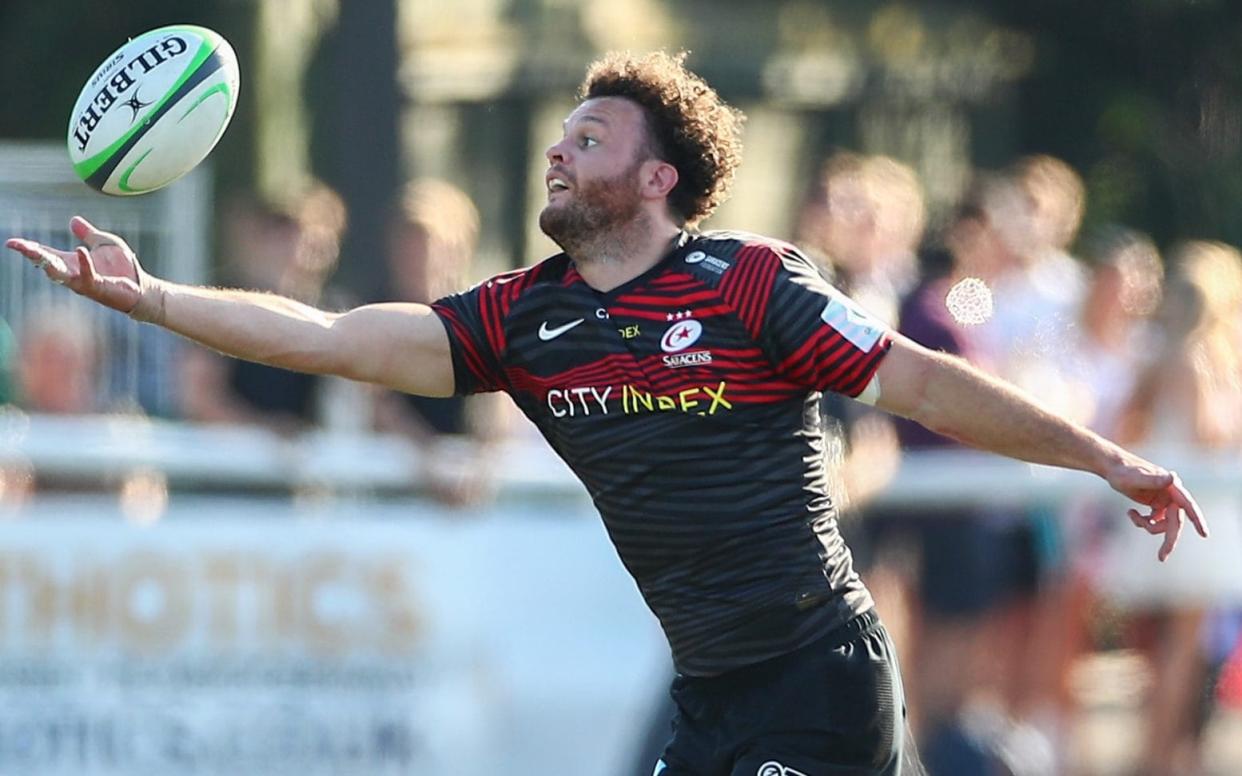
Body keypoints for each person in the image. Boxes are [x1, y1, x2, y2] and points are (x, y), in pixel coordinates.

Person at [6, 51, 1207, 776]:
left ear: (655, 180)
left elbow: (922, 381)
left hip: (820, 674)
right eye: (560, 136)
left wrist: (1104, 457)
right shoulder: (524, 320)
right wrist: (153, 298)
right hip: (711, 689)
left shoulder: (753, 286)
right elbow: (328, 338)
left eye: (589, 139)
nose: (558, 154)